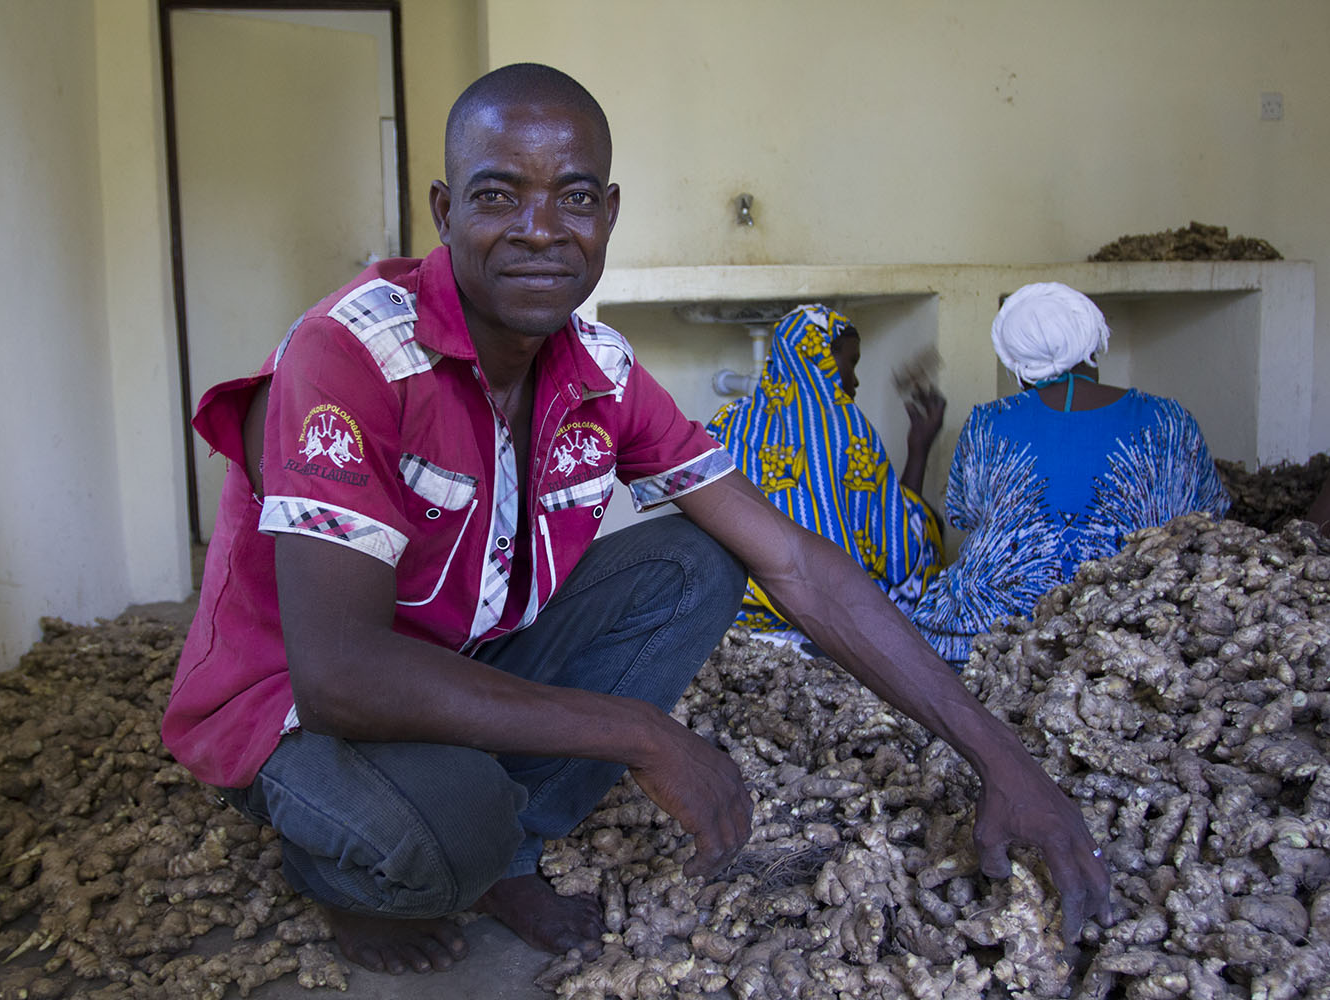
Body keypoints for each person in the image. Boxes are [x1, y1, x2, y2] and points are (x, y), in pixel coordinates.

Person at [161, 64, 1111, 977]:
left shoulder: (600, 373)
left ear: (608, 215)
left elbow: (797, 566)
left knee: (700, 558)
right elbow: (340, 676)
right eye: (498, 197)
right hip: (292, 709)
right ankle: (338, 867)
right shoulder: (354, 352)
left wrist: (1001, 759)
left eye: (574, 198)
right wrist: (643, 734)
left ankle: (510, 850)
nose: (540, 231)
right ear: (445, 214)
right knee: (447, 834)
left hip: (454, 666)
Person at [911, 281, 1231, 667]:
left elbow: (965, 514)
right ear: (1095, 344)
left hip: (991, 634)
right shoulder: (1169, 420)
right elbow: (1207, 518)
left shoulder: (988, 423)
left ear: (1016, 364)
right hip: (1133, 626)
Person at [706, 304, 946, 640]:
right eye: (852, 362)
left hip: (736, 614)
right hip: (833, 614)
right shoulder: (845, 426)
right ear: (823, 357)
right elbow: (893, 542)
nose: (856, 378)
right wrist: (919, 451)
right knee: (924, 522)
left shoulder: (728, 420)